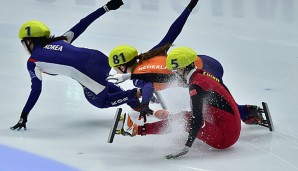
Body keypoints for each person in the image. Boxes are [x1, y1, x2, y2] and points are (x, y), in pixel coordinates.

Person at [107, 0, 264, 125]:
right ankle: (246, 112)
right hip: (206, 61)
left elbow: (148, 86)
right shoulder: (149, 54)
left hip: (203, 74)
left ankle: (248, 111)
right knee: (214, 101)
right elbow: (173, 31)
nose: (116, 72)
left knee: (211, 107)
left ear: (122, 65)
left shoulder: (138, 77)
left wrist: (145, 104)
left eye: (116, 68)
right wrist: (188, 8)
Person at [10, 0, 141, 131]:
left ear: (29, 41)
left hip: (87, 73)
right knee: (100, 85)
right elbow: (83, 23)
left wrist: (24, 115)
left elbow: (36, 90)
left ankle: (137, 93)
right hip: (100, 58)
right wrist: (106, 8)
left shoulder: (33, 62)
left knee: (102, 101)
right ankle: (137, 104)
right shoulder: (61, 39)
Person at [117, 46, 242, 159]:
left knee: (185, 120)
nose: (174, 74)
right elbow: (162, 78)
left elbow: (196, 120)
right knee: (184, 116)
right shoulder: (199, 74)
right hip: (225, 123)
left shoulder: (196, 86)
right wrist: (129, 76)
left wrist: (186, 148)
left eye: (175, 71)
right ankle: (150, 124)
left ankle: (135, 130)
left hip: (225, 138)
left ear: (182, 68)